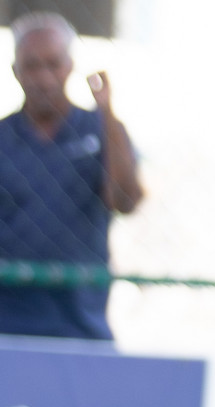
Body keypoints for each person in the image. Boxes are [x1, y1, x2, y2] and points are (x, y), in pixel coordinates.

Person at [0, 12, 141, 341]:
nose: (43, 78)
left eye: (53, 64)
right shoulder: (4, 137)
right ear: (16, 72)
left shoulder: (100, 128)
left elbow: (125, 200)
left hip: (81, 321)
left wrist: (107, 112)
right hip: (9, 319)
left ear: (69, 67)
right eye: (32, 66)